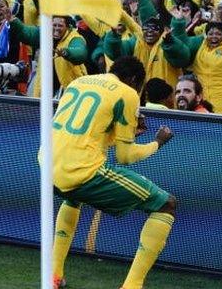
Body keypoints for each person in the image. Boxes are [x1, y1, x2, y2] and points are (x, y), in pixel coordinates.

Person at [48, 56, 176, 289]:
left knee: (73, 196)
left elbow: (86, 132)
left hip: (47, 165)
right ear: (135, 80)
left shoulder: (80, 82)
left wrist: (122, 134)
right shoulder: (127, 93)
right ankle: (132, 286)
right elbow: (124, 157)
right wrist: (157, 142)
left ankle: (54, 275)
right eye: (140, 86)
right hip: (80, 171)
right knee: (166, 204)